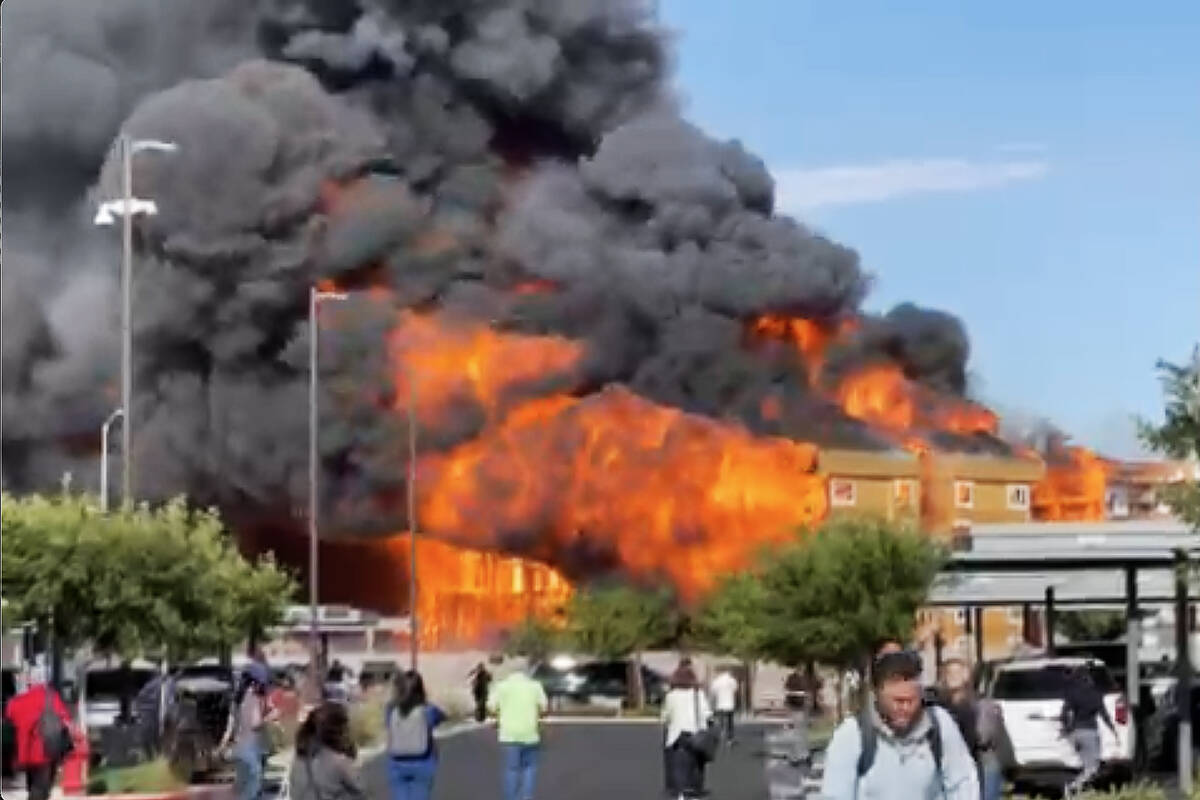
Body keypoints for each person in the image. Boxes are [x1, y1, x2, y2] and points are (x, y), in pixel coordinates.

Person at [821, 650, 980, 800]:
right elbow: (835, 795)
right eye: (897, 701)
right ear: (877, 694)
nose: (905, 708)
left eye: (911, 701)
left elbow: (963, 785)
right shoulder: (851, 735)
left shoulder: (940, 725)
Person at [4, 666, 73, 800]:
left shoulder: (17, 701)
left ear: (28, 681)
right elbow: (65, 720)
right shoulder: (51, 696)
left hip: (25, 753)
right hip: (46, 750)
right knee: (40, 790)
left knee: (33, 786)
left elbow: (9, 716)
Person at [487, 663, 549, 800]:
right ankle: (527, 796)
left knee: (511, 769)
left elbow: (491, 707)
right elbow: (544, 708)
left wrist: (499, 716)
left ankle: (511, 797)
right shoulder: (535, 686)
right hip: (530, 733)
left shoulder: (501, 686)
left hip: (509, 734)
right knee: (529, 768)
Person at [385, 671, 446, 800]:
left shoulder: (391, 709)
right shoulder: (427, 709)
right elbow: (443, 716)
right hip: (423, 761)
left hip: (397, 762)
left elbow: (388, 725)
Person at [288, 702, 365, 800]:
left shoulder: (300, 756)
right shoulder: (338, 760)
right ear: (338, 729)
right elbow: (360, 788)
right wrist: (354, 763)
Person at [221, 662, 275, 800]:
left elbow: (230, 726)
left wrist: (222, 745)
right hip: (253, 746)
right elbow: (255, 723)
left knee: (243, 786)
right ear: (255, 682)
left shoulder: (236, 700)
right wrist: (271, 716)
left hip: (239, 746)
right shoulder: (254, 697)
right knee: (254, 788)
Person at [662, 660, 713, 800]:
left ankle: (681, 793)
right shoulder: (698, 694)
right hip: (697, 734)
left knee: (679, 766)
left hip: (677, 735)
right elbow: (707, 714)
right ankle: (695, 792)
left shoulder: (671, 696)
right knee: (696, 765)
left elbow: (665, 716)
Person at [1060, 665, 1116, 794]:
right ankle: (1073, 786)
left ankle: (1079, 791)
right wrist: (1113, 731)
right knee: (1092, 768)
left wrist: (1066, 729)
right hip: (1089, 732)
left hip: (1075, 733)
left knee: (1083, 763)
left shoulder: (1072, 693)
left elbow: (1064, 714)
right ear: (1088, 678)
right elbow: (1104, 715)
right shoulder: (1095, 694)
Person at [783, 667, 811, 768]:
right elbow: (807, 695)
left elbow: (787, 692)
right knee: (801, 732)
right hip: (800, 707)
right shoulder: (804, 679)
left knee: (798, 733)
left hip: (796, 708)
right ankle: (803, 755)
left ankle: (797, 756)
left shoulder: (792, 679)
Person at [710, 667, 739, 746]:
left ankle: (721, 733)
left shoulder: (716, 681)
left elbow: (713, 691)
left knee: (721, 720)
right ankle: (730, 739)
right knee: (730, 722)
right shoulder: (731, 680)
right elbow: (735, 689)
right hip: (729, 703)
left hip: (720, 704)